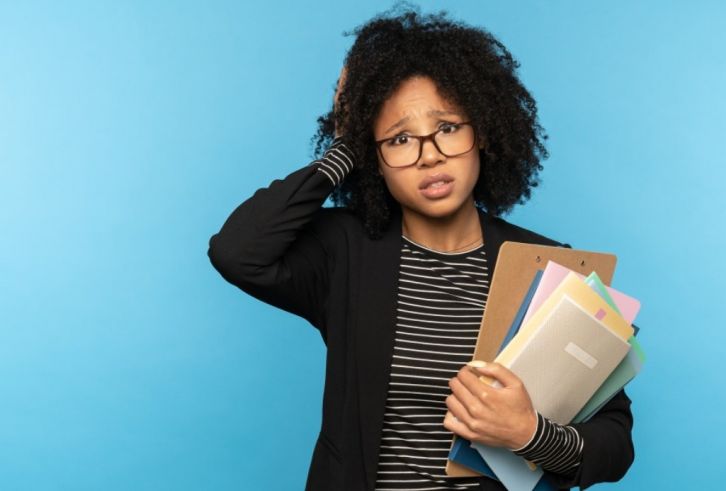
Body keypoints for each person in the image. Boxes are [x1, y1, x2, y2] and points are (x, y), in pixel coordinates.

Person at [207, 5, 634, 490]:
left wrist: (530, 434)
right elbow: (238, 251)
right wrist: (348, 140)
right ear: (376, 159)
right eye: (399, 138)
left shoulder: (547, 267)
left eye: (448, 128)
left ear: (484, 132)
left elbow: (614, 444)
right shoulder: (345, 252)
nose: (429, 154)